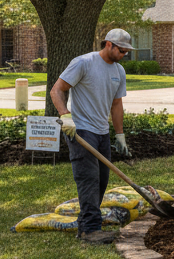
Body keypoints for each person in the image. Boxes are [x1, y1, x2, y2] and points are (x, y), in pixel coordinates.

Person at [49, 28, 133, 244]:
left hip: (102, 132)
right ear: (108, 44)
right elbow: (57, 90)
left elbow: (116, 104)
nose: (124, 54)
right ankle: (90, 230)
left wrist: (120, 135)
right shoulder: (83, 63)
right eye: (121, 50)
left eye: (126, 52)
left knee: (102, 181)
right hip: (81, 130)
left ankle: (86, 224)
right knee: (89, 180)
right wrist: (65, 116)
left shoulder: (119, 72)